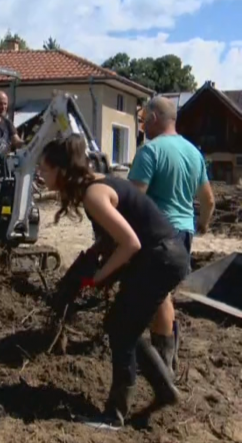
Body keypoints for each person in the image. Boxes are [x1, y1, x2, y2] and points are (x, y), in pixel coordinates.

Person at [39, 134, 189, 428]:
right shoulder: (98, 184)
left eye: (44, 169)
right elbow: (118, 239)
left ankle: (115, 413)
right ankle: (164, 389)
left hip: (159, 258)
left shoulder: (94, 194)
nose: (41, 176)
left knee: (121, 328)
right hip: (165, 256)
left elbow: (130, 243)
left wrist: (98, 277)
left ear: (61, 170)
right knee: (123, 327)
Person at [128, 95, 215, 373]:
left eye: (144, 120)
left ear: (154, 117)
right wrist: (202, 223)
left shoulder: (150, 151)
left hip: (158, 234)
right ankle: (168, 354)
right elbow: (208, 200)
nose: (142, 126)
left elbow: (134, 199)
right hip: (185, 231)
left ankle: (164, 365)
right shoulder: (193, 152)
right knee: (166, 292)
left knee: (159, 294)